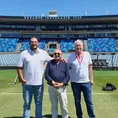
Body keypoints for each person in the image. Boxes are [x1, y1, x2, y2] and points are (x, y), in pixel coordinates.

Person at [17, 37, 52, 118]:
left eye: (35, 42)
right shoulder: (24, 53)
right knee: (27, 103)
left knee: (39, 103)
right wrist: (21, 79)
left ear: (38, 43)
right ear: (29, 43)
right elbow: (19, 67)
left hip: (39, 84)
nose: (34, 43)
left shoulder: (43, 53)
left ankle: (38, 116)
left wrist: (62, 59)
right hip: (27, 84)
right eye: (32, 42)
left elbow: (52, 60)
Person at [68, 39, 95, 118]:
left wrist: (91, 78)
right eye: (76, 46)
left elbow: (90, 67)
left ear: (82, 46)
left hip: (86, 82)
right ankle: (79, 116)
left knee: (89, 101)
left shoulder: (87, 54)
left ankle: (91, 116)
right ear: (74, 47)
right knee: (77, 101)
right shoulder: (71, 56)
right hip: (75, 82)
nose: (78, 47)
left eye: (79, 45)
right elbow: (66, 66)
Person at [45, 49, 70, 118]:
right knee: (54, 104)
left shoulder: (65, 63)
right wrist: (52, 82)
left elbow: (68, 76)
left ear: (61, 55)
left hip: (62, 87)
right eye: (55, 53)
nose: (57, 55)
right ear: (53, 55)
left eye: (58, 54)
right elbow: (46, 75)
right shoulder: (50, 63)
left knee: (64, 105)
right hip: (52, 87)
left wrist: (62, 84)